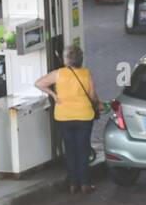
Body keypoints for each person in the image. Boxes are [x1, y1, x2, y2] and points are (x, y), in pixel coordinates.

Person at [35, 44, 100, 194]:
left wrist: (54, 95)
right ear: (80, 60)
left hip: (64, 117)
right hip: (84, 116)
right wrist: (99, 104)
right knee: (83, 149)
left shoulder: (58, 74)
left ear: (66, 60)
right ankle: (85, 184)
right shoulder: (86, 74)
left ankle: (72, 183)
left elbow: (39, 83)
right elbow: (92, 96)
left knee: (70, 150)